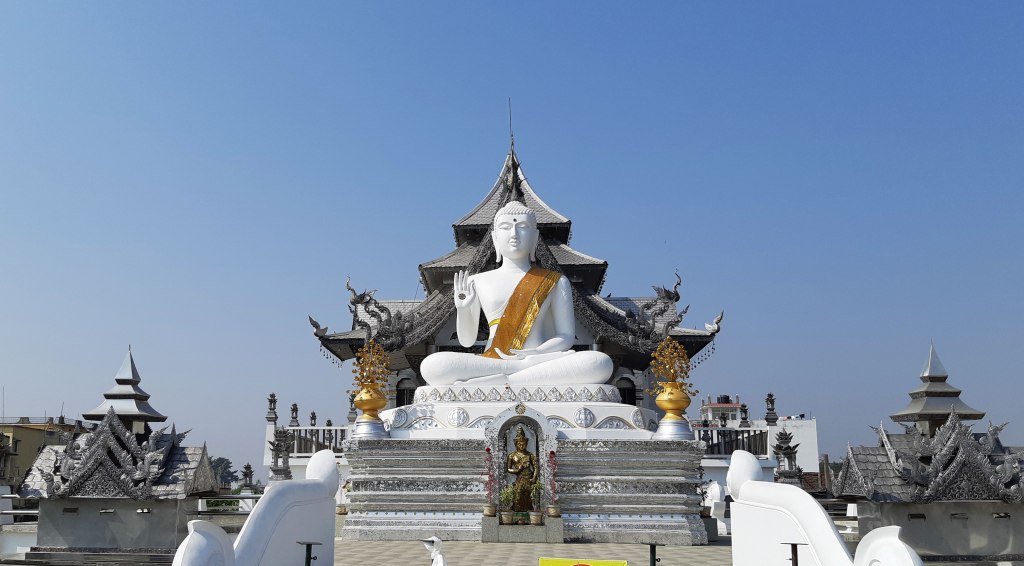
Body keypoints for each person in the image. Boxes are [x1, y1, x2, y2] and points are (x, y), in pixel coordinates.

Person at [419, 200, 613, 386]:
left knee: (599, 362)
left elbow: (565, 337)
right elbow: (467, 341)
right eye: (505, 227)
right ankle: (516, 373)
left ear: (535, 238)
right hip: (494, 360)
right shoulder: (475, 281)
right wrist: (463, 310)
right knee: (433, 365)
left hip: (536, 360)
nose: (514, 234)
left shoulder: (556, 281)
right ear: (495, 238)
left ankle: (509, 379)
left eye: (523, 227)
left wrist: (537, 353)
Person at [505, 426, 538, 512]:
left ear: (526, 444)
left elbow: (536, 467)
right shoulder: (512, 456)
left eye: (523, 444)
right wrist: (517, 470)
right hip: (520, 478)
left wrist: (534, 478)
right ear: (516, 444)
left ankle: (529, 514)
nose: (521, 446)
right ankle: (517, 513)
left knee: (529, 498)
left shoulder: (529, 455)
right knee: (517, 497)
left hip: (529, 478)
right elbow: (508, 469)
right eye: (519, 444)